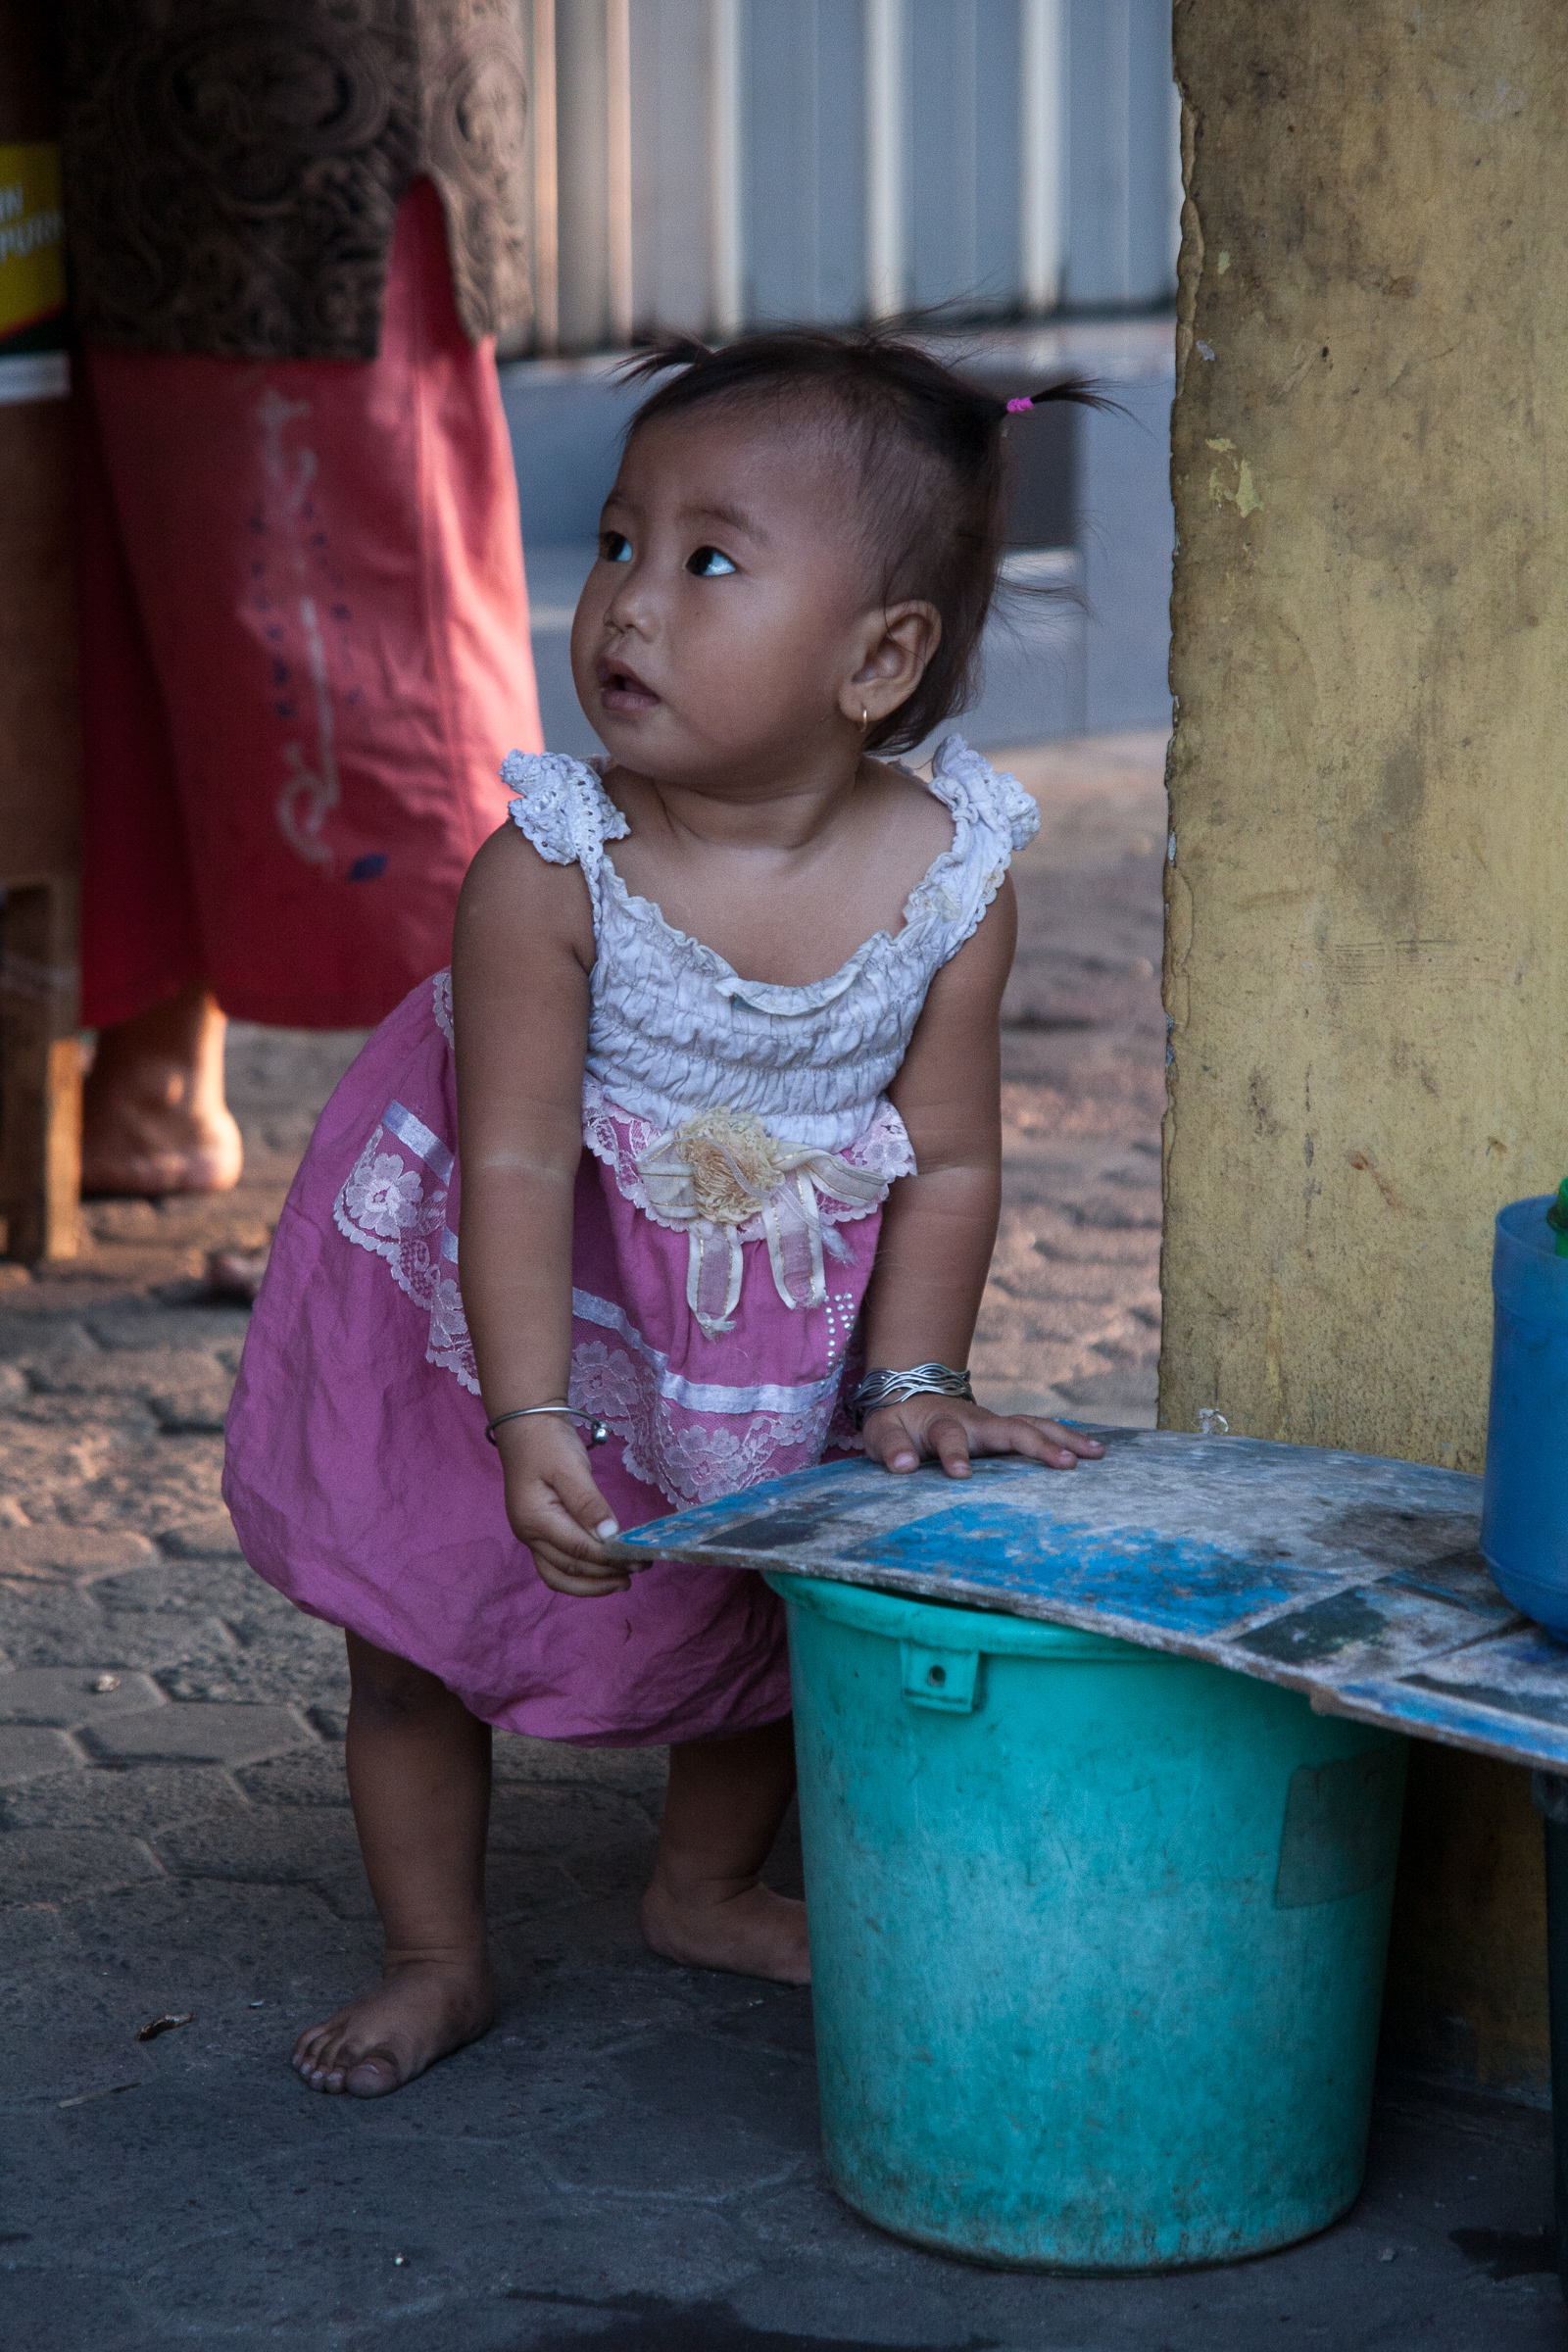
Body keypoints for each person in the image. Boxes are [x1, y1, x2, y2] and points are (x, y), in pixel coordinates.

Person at [222, 329, 1107, 2099]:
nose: (626, 599)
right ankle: (435, 1953)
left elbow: (950, 1156)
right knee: (412, 1617)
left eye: (708, 561)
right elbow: (515, 1162)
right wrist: (524, 1412)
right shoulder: (551, 869)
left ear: (879, 659)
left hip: (757, 1333)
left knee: (765, 1615)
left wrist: (915, 1379)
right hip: (492, 1303)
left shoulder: (949, 878)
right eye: (622, 539)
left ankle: (701, 1890)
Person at [58, 0, 541, 1202]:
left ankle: (501, 1189)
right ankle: (154, 1084)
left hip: (300, 109)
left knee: (362, 651)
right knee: (156, 625)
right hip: (134, 112)